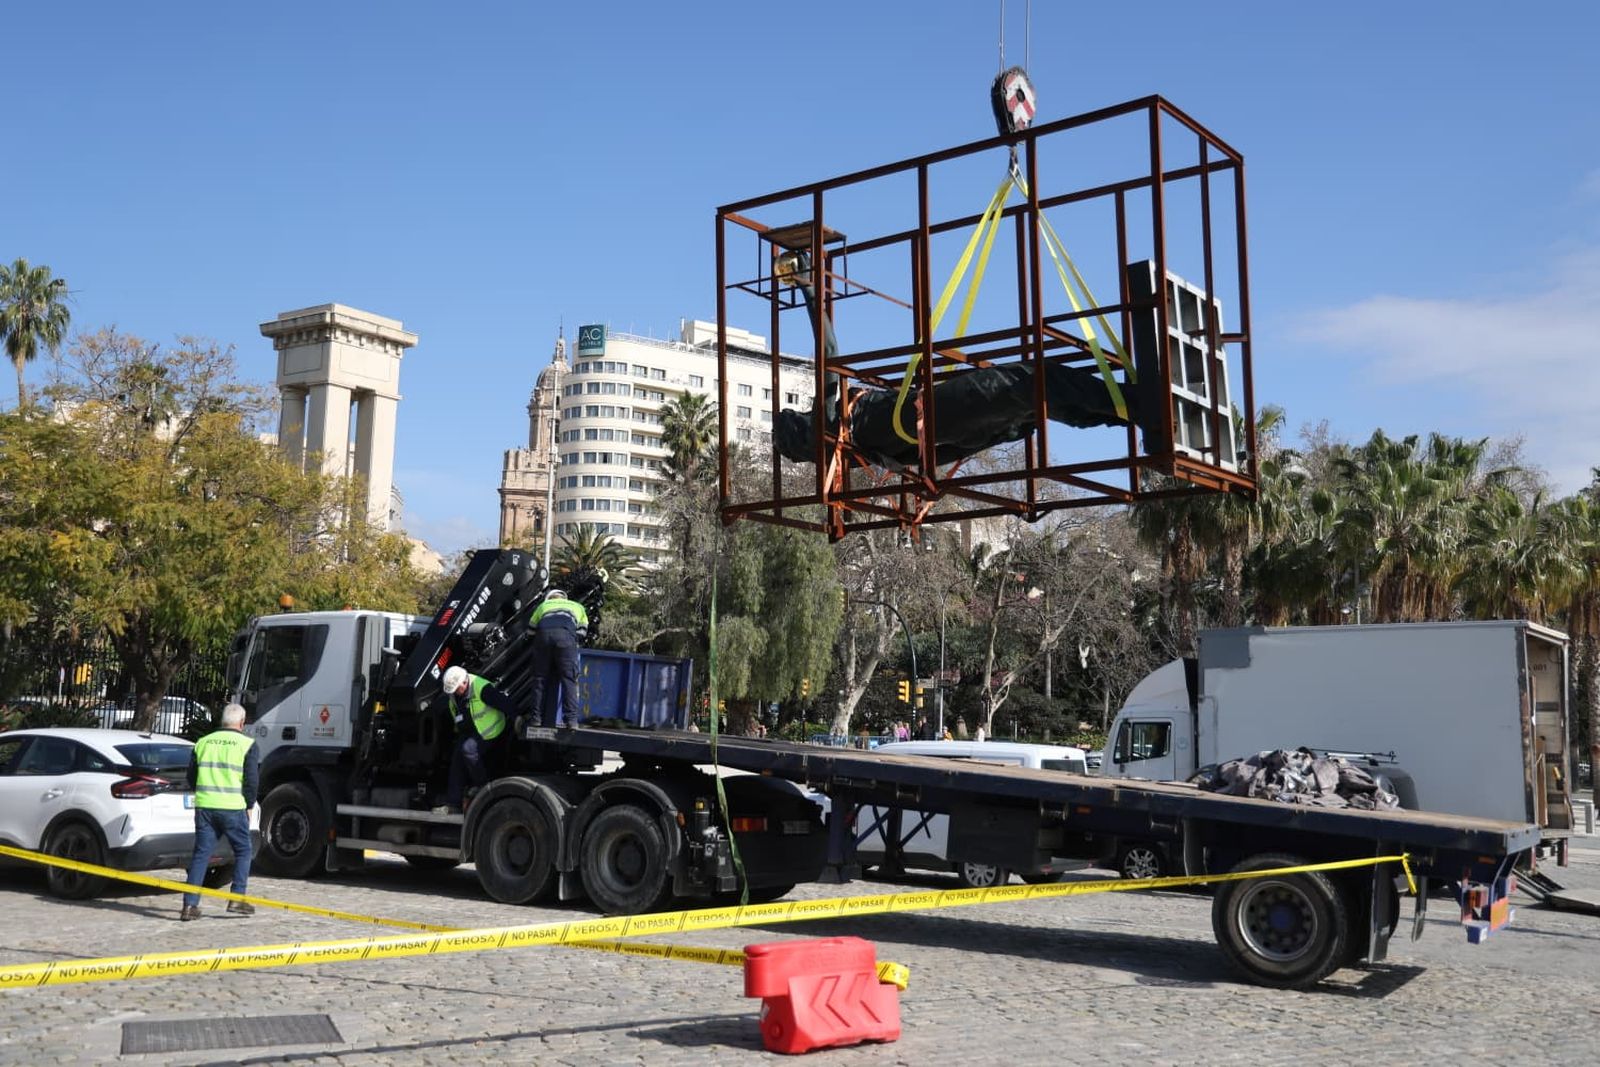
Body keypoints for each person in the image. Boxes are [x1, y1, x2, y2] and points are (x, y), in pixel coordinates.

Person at [181, 703, 258, 921]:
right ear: (242, 723)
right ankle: (236, 899)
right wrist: (249, 805)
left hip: (205, 806)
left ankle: (189, 905)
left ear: (223, 721)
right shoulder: (247, 744)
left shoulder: (203, 742)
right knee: (243, 850)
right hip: (233, 808)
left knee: (201, 854)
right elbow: (251, 781)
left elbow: (191, 777)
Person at [434, 665, 513, 815]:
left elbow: (505, 703)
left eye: (456, 689)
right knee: (457, 758)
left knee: (469, 749)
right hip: (471, 730)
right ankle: (453, 803)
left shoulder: (481, 688)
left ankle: (483, 786)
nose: (455, 692)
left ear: (464, 682)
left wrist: (518, 718)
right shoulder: (454, 695)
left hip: (490, 729)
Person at [527, 587, 589, 728]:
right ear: (564, 598)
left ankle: (536, 719)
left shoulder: (543, 606)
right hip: (566, 639)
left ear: (549, 598)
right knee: (569, 680)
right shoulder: (578, 606)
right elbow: (582, 632)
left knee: (540, 679)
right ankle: (571, 721)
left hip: (543, 638)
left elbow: (530, 631)